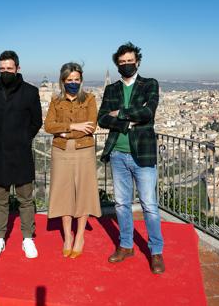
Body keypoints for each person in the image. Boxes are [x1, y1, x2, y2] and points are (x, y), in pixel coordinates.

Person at [98, 42, 165, 274]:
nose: (126, 65)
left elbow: (149, 113)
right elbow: (102, 119)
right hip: (118, 153)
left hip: (143, 153)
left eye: (130, 61)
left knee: (149, 205)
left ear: (137, 61)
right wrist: (130, 121)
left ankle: (156, 252)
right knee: (122, 204)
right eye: (122, 62)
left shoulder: (150, 84)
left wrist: (120, 114)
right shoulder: (111, 89)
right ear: (117, 64)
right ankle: (126, 246)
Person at [0, 50, 42, 259]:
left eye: (9, 68)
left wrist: (22, 138)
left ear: (18, 68)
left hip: (21, 153)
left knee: (26, 199)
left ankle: (28, 238)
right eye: (2, 69)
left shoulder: (30, 92)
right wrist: (2, 137)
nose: (6, 72)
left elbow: (37, 121)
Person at [44, 62, 101, 258]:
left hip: (84, 151)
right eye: (70, 80)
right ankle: (68, 236)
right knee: (63, 194)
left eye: (77, 79)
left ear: (81, 80)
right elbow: (48, 126)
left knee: (83, 193)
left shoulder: (90, 99)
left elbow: (91, 127)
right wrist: (74, 127)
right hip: (61, 152)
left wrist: (64, 132)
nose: (73, 83)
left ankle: (80, 237)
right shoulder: (55, 100)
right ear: (63, 80)